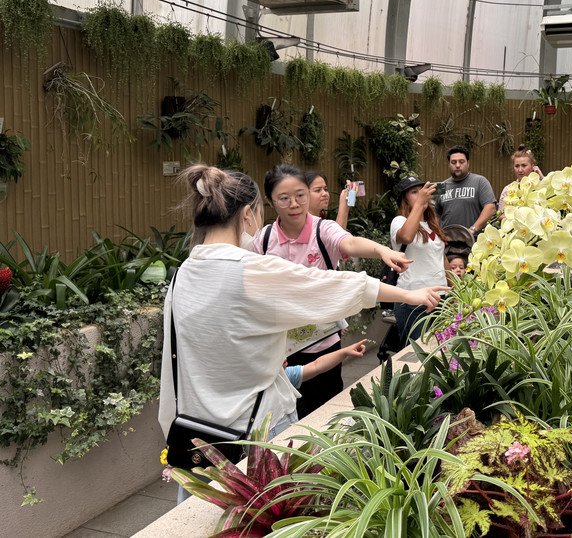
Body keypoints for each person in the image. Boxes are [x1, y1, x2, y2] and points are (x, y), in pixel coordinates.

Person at [158, 165, 444, 502]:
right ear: (249, 214)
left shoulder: (182, 275)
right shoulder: (251, 269)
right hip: (256, 437)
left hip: (196, 441)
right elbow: (326, 285)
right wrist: (409, 294)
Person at [249, 164, 410, 417]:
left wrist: (382, 250)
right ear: (271, 201)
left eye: (300, 195)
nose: (294, 204)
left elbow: (350, 242)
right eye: (284, 198)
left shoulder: (322, 229)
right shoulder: (264, 239)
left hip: (323, 342)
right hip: (283, 348)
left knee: (325, 410)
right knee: (287, 413)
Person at [390, 176, 449, 342]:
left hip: (440, 299)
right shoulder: (399, 221)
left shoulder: (432, 224)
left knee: (440, 350)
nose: (421, 194)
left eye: (422, 191)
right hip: (413, 300)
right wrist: (419, 204)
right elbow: (406, 237)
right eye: (414, 192)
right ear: (404, 199)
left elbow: (441, 258)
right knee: (417, 352)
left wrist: (455, 290)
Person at [435, 145, 497, 237]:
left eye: (461, 161)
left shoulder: (480, 181)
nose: (457, 165)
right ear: (449, 164)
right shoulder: (441, 186)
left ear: (468, 163)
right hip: (447, 240)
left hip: (473, 240)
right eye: (453, 162)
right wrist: (437, 234)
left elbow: (491, 208)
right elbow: (436, 215)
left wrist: (472, 230)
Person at [285, 340, 368, 389]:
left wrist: (345, 352)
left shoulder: (286, 374)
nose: (284, 356)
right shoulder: (283, 377)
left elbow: (316, 365)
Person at [499, 145, 544, 209]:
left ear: (532, 166)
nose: (520, 170)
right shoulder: (508, 190)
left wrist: (542, 178)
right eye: (517, 166)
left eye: (524, 165)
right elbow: (501, 213)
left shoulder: (540, 187)